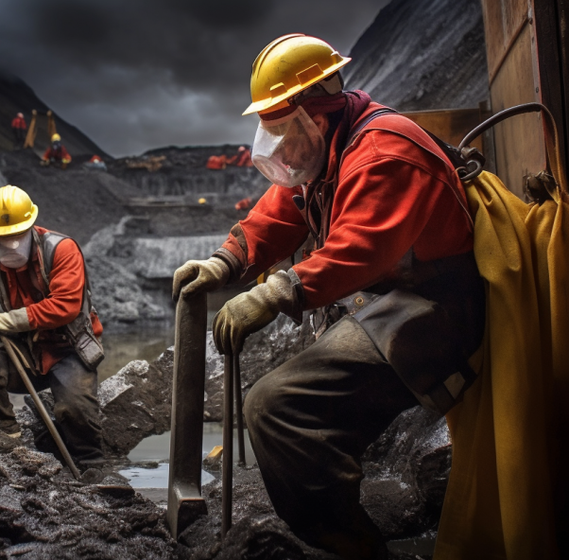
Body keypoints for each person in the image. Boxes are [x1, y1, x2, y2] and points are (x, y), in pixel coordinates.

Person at [173, 34, 484, 560]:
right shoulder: (330, 148)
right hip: (391, 299)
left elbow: (359, 249)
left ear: (316, 114)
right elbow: (281, 209)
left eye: (280, 129)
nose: (277, 146)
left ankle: (353, 548)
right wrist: (225, 261)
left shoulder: (384, 152)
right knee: (295, 397)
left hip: (436, 310)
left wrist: (275, 292)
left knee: (277, 408)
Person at [0, 185, 105, 468]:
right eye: (3, 237)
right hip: (26, 351)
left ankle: (90, 466)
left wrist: (7, 320)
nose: (10, 244)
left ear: (31, 226)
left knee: (75, 410)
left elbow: (66, 305)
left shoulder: (61, 250)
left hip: (68, 349)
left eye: (17, 235)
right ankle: (8, 432)